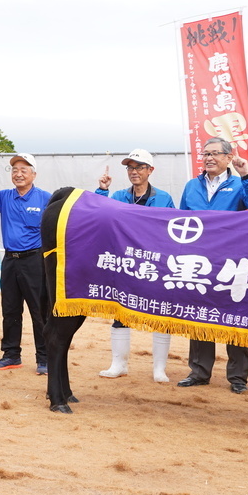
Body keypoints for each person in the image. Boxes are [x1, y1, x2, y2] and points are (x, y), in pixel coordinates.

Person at [176, 137, 248, 394]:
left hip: (231, 261)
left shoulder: (240, 184)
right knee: (200, 317)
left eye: (215, 154)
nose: (209, 158)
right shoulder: (191, 186)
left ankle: (238, 376)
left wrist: (247, 175)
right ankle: (199, 371)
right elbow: (183, 220)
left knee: (233, 318)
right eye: (205, 154)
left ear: (228, 157)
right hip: (199, 260)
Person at [94, 149, 175, 382]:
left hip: (155, 264)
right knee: (121, 311)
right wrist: (102, 190)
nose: (134, 172)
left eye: (139, 167)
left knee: (160, 313)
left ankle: (159, 368)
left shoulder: (163, 198)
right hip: (126, 263)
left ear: (150, 170)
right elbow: (100, 214)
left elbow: (170, 230)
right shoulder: (118, 195)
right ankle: (118, 364)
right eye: (130, 167)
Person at [0, 153, 53, 375]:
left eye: (23, 170)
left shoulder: (45, 198)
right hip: (10, 261)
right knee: (10, 309)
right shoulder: (4, 196)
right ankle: (11, 355)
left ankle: (44, 358)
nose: (18, 174)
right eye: (15, 170)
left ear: (34, 174)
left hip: (35, 261)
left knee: (39, 311)